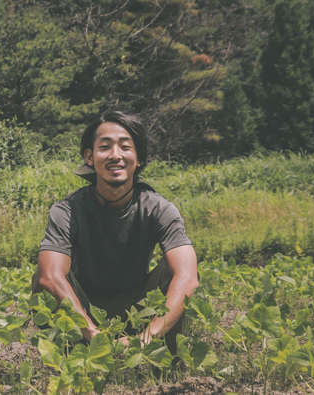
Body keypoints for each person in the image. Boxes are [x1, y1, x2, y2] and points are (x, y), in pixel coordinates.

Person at [33, 110, 198, 354]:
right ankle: (71, 355)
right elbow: (50, 277)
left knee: (177, 271)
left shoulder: (160, 209)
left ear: (139, 158)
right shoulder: (67, 210)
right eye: (105, 147)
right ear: (89, 157)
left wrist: (147, 336)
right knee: (43, 275)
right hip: (84, 310)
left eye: (125, 147)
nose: (115, 155)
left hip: (140, 312)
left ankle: (162, 355)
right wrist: (94, 335)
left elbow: (188, 278)